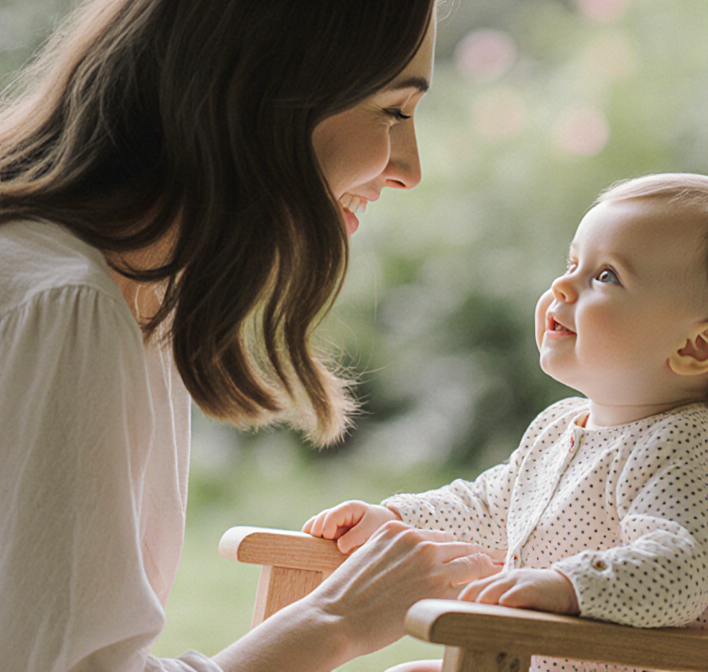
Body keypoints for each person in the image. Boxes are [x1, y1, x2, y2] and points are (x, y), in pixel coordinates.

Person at [0, 2, 502, 671]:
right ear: (266, 96)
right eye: (393, 111)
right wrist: (334, 622)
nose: (408, 168)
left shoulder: (117, 293)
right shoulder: (69, 304)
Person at [304, 173, 708, 672]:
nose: (561, 285)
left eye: (606, 276)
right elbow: (491, 506)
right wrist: (396, 518)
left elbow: (680, 569)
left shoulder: (687, 446)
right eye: (572, 263)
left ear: (695, 346)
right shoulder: (561, 426)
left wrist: (564, 586)